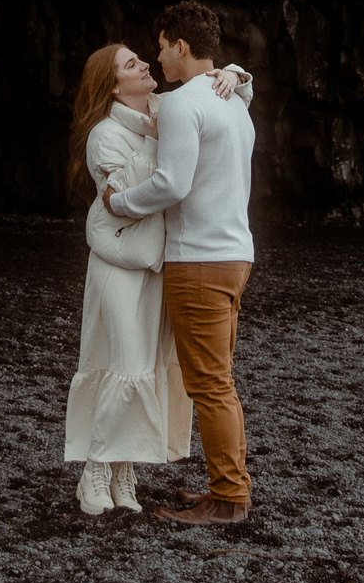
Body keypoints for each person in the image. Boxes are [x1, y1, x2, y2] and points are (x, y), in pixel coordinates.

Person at [63, 43, 250, 516]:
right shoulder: (105, 135)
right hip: (119, 265)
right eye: (131, 65)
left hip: (157, 264)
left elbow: (224, 106)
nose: (145, 64)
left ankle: (126, 471)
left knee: (142, 369)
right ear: (112, 84)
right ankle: (96, 470)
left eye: (143, 58)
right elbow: (135, 190)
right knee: (119, 362)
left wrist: (232, 74)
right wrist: (156, 133)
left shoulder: (168, 108)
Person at [103, 0, 257, 526]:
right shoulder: (233, 99)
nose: (158, 59)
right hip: (236, 255)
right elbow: (238, 86)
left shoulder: (186, 103)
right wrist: (238, 75)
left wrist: (117, 203)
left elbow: (171, 183)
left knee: (210, 384)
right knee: (219, 380)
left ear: (182, 45)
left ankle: (229, 499)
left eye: (163, 47)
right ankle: (227, 486)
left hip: (199, 262)